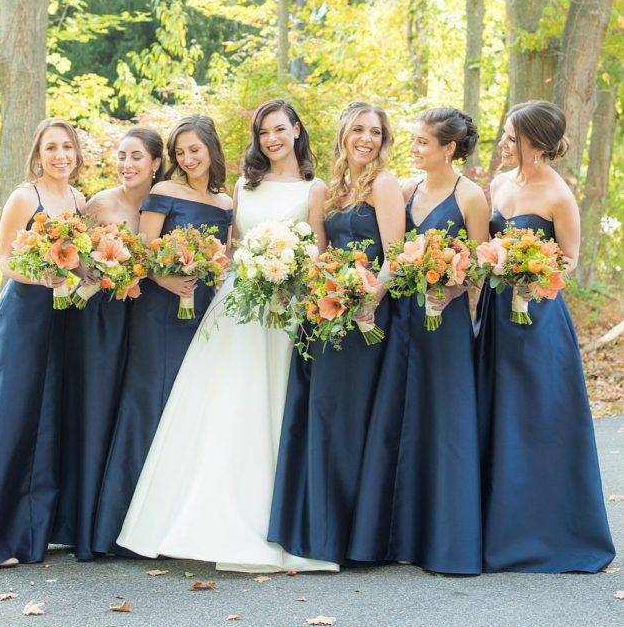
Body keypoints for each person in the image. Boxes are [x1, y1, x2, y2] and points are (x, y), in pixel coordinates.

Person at [117, 99, 337, 572]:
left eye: (279, 129)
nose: (271, 139)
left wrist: (292, 276)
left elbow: (319, 251)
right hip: (241, 301)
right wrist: (251, 269)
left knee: (277, 402)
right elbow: (232, 248)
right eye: (263, 133)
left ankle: (278, 518)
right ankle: (209, 514)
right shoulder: (244, 184)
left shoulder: (315, 188)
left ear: (296, 131)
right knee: (229, 401)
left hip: (288, 304)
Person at [474, 100, 615, 572]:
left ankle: (549, 531)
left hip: (538, 320)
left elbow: (568, 261)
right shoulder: (499, 183)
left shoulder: (559, 195)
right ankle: (495, 528)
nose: (504, 144)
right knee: (497, 412)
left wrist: (530, 280)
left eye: (512, 138)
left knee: (538, 418)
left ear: (536, 144)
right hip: (495, 314)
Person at [353, 107, 489, 573]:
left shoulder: (471, 196)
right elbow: (395, 253)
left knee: (443, 420)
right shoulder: (407, 191)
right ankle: (397, 538)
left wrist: (451, 287)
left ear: (448, 149)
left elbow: (481, 265)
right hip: (404, 318)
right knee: (401, 417)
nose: (412, 149)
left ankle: (448, 541)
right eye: (412, 141)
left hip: (445, 321)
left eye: (421, 143)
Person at [268, 101, 405, 563]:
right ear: (344, 133)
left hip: (367, 316)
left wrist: (366, 301)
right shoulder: (333, 188)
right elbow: (320, 252)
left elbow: (396, 255)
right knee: (323, 414)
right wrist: (308, 289)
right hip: (324, 313)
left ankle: (354, 537)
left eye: (376, 132)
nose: (367, 139)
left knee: (352, 418)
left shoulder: (384, 185)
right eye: (360, 130)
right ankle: (320, 529)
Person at [0, 119, 85, 567]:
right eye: (51, 147)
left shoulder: (80, 200)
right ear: (38, 153)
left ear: (77, 153)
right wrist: (43, 275)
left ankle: (33, 535)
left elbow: (82, 264)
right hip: (24, 318)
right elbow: (6, 261)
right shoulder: (27, 197)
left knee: (46, 421)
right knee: (10, 419)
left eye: (67, 147)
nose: (60, 155)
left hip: (63, 322)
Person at [92, 115, 232, 555]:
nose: (188, 159)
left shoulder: (227, 203)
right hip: (158, 308)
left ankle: (175, 521)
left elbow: (224, 258)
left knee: (189, 409)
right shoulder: (163, 193)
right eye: (181, 152)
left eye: (195, 149)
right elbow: (143, 250)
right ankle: (121, 525)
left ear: (211, 148)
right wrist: (167, 279)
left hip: (203, 312)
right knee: (148, 400)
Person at [51, 127, 164, 559]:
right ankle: (84, 524)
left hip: (145, 320)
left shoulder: (163, 205)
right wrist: (90, 275)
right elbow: (67, 258)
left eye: (136, 156)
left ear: (155, 163)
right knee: (97, 412)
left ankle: (126, 522)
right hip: (99, 318)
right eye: (121, 156)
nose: (126, 164)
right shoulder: (100, 203)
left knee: (131, 416)